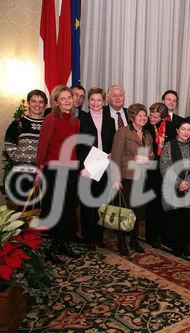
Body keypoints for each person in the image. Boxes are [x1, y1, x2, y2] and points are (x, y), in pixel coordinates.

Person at [35, 86, 81, 264]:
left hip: (70, 170)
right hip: (53, 171)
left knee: (68, 209)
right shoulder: (51, 119)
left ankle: (63, 243)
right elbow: (42, 147)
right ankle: (50, 249)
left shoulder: (75, 121)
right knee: (54, 210)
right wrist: (38, 170)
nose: (67, 101)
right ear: (56, 102)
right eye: (63, 98)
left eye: (69, 97)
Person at [110, 103, 154, 256]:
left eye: (144, 115)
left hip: (141, 178)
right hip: (125, 177)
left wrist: (147, 159)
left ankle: (134, 241)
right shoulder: (122, 132)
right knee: (124, 212)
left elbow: (152, 155)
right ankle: (121, 242)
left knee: (136, 212)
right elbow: (115, 156)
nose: (143, 118)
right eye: (140, 115)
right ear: (132, 117)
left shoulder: (147, 135)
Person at [77, 87, 115, 250]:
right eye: (92, 99)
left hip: (104, 165)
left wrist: (112, 153)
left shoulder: (110, 120)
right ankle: (88, 238)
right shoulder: (82, 119)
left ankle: (99, 236)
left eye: (99, 100)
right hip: (87, 166)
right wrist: (81, 167)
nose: (95, 103)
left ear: (104, 102)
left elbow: (112, 142)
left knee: (101, 203)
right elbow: (77, 145)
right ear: (88, 101)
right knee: (87, 204)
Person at [160, 119, 190, 257]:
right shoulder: (168, 146)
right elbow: (164, 167)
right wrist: (179, 182)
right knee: (175, 218)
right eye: (183, 129)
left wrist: (188, 182)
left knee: (187, 218)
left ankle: (184, 245)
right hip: (172, 187)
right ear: (177, 130)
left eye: (189, 130)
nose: (186, 132)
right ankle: (175, 245)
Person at [4, 89, 47, 206]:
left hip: (42, 173)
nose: (37, 105)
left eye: (41, 102)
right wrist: (20, 158)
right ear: (28, 102)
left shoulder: (49, 124)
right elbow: (8, 143)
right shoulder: (18, 123)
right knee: (21, 210)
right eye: (33, 101)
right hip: (21, 173)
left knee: (40, 208)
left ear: (45, 104)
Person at [143, 102, 169, 248]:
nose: (151, 118)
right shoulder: (146, 127)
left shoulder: (170, 128)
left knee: (163, 204)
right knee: (152, 205)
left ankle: (163, 233)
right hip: (151, 171)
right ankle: (151, 236)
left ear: (163, 118)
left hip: (165, 171)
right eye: (151, 115)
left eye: (155, 117)